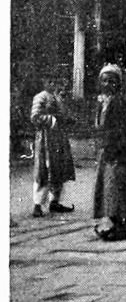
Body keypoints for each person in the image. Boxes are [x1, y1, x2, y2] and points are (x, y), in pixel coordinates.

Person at [93, 64, 126, 241]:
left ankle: (122, 227)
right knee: (108, 191)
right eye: (104, 81)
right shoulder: (102, 103)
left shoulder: (123, 103)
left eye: (112, 81)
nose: (107, 84)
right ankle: (114, 224)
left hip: (119, 154)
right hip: (106, 152)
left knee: (119, 190)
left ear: (118, 83)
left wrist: (125, 148)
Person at [30, 79, 76, 218]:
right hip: (46, 139)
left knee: (58, 169)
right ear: (44, 82)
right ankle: (37, 205)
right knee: (43, 170)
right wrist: (53, 119)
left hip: (59, 139)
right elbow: (35, 117)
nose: (53, 84)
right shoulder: (40, 97)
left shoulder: (58, 97)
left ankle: (54, 202)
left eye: (54, 82)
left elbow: (63, 115)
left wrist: (67, 119)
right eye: (49, 81)